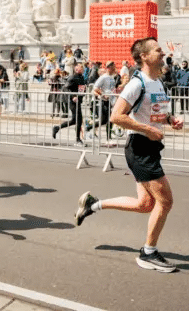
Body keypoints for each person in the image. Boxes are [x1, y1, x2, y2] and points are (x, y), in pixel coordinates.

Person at [74, 37, 183, 273]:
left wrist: (170, 119)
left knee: (145, 204)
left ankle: (93, 205)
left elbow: (156, 114)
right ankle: (148, 253)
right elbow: (116, 116)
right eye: (157, 50)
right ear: (144, 56)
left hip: (150, 147)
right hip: (140, 148)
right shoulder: (136, 83)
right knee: (165, 201)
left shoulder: (157, 82)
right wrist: (148, 130)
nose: (162, 53)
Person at [52, 62, 86, 145]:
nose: (81, 69)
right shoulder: (73, 77)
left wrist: (82, 94)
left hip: (78, 101)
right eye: (79, 68)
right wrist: (73, 96)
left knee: (75, 120)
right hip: (72, 101)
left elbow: (81, 89)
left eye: (82, 68)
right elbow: (65, 88)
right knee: (79, 120)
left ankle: (57, 128)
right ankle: (78, 140)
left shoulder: (82, 77)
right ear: (76, 69)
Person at [85, 61, 118, 145]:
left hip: (110, 101)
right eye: (113, 67)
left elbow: (112, 89)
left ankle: (89, 127)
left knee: (104, 121)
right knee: (108, 120)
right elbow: (95, 88)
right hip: (104, 101)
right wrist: (103, 95)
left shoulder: (112, 78)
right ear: (109, 68)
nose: (115, 69)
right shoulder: (103, 77)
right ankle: (108, 139)